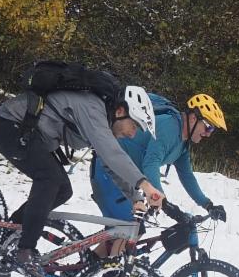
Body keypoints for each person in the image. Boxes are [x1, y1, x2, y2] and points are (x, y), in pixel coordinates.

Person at [0, 83, 165, 277]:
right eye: (134, 125)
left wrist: (134, 197)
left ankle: (5, 232)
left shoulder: (102, 119)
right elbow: (113, 155)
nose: (133, 134)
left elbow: (109, 163)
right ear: (121, 111)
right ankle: (25, 250)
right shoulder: (93, 110)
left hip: (27, 133)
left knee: (63, 189)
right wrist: (146, 185)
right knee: (50, 179)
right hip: (8, 125)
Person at [90, 92, 228, 231]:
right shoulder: (170, 127)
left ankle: (98, 254)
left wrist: (208, 205)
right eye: (208, 127)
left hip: (126, 178)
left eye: (213, 130)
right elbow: (150, 165)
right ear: (193, 118)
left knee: (130, 232)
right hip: (107, 169)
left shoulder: (183, 144)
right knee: (127, 229)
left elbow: (187, 176)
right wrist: (164, 202)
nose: (209, 134)